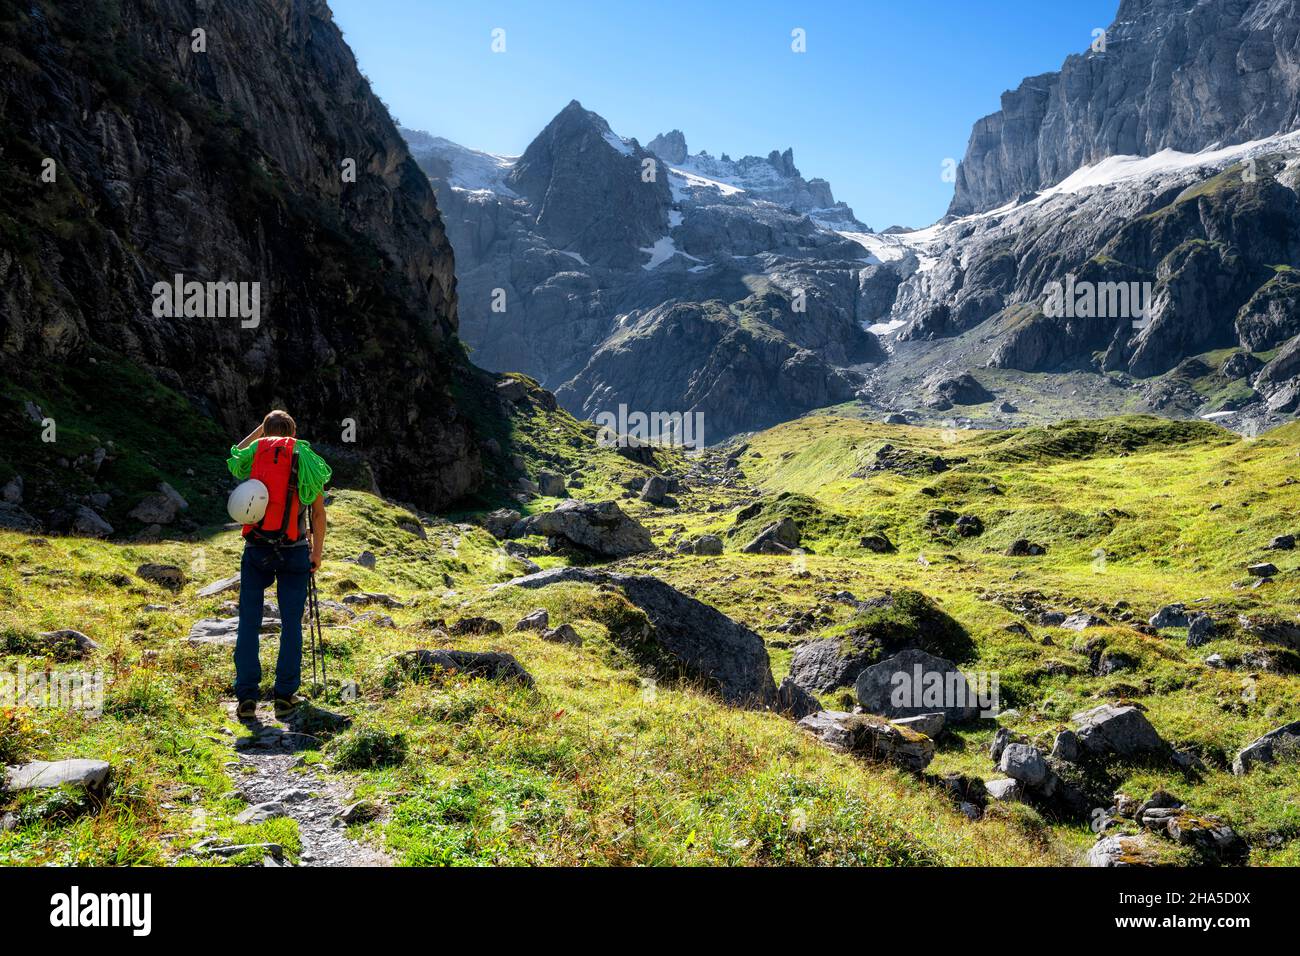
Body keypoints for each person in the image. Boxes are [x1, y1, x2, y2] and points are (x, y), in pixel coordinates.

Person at [226, 410, 331, 719]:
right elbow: (319, 513)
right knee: (291, 624)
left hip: (257, 548)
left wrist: (259, 432)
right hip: (294, 548)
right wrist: (318, 553)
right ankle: (285, 695)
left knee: (248, 621)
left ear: (265, 432)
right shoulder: (306, 456)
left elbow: (233, 459)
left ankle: (246, 696)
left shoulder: (256, 451)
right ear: (293, 433)